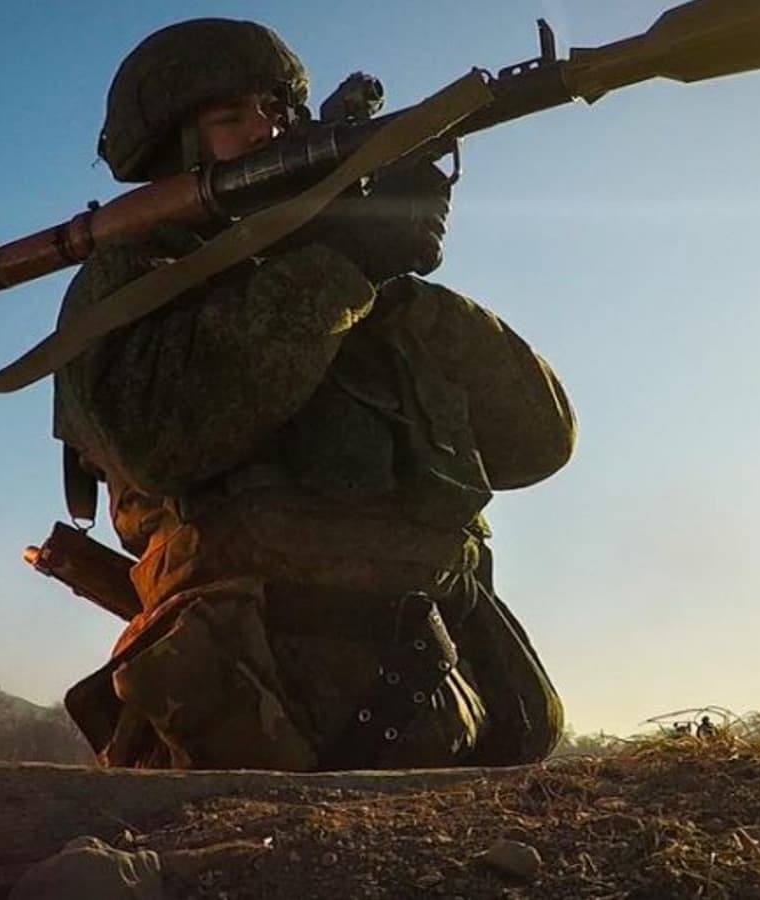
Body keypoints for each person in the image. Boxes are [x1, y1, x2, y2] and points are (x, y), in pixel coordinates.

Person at [55, 18, 576, 771]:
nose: (264, 130)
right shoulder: (132, 278)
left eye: (276, 111)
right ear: (175, 149)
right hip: (258, 716)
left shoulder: (356, 291)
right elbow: (155, 438)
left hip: (462, 702)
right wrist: (337, 267)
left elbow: (539, 441)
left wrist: (391, 282)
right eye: (230, 117)